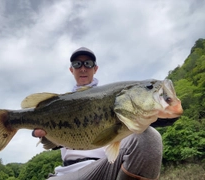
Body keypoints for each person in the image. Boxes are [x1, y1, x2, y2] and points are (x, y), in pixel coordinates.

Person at [32, 47, 176, 180]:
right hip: (68, 172)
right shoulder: (57, 104)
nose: (83, 68)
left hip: (106, 167)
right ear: (71, 70)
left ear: (95, 68)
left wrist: (167, 109)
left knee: (150, 138)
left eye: (88, 64)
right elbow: (51, 140)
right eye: (77, 64)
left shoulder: (119, 98)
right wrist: (45, 135)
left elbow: (157, 118)